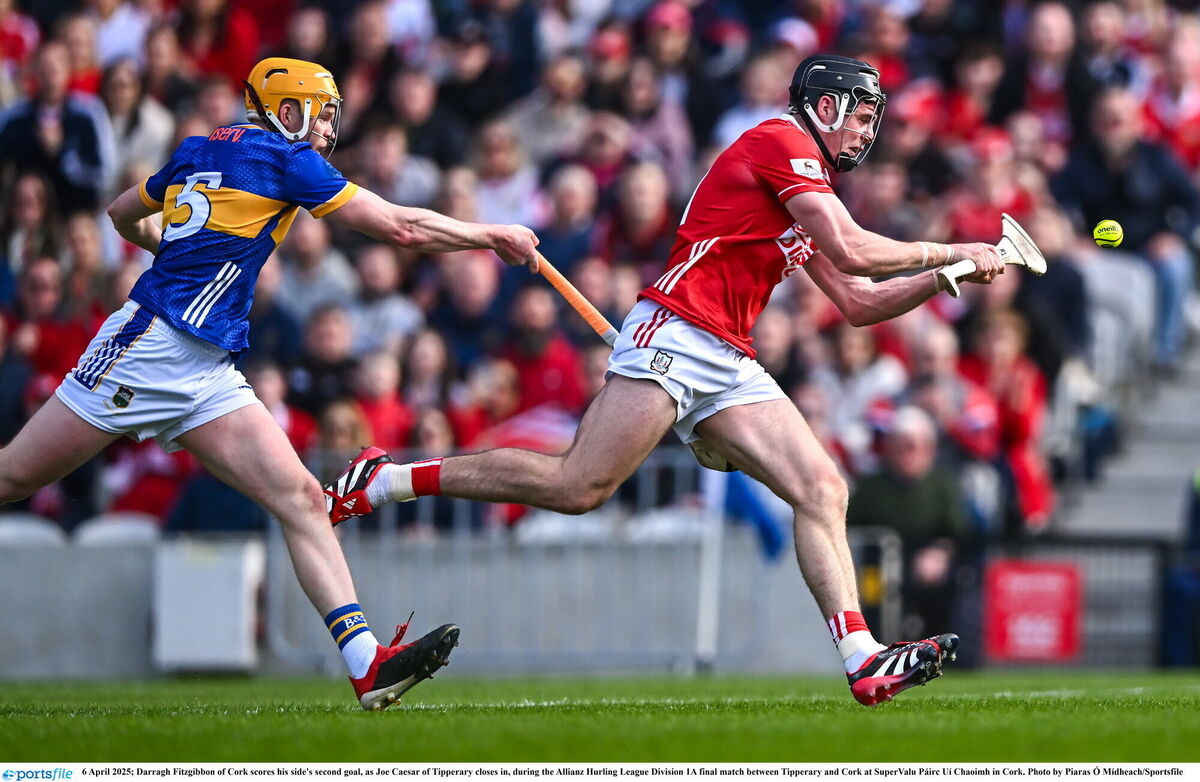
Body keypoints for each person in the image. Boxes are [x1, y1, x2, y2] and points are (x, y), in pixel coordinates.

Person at [327, 54, 1004, 707]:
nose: (867, 131)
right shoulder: (780, 140)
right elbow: (855, 248)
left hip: (729, 356)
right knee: (578, 487)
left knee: (823, 487)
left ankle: (862, 659)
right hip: (677, 331)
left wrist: (947, 277)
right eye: (860, 115)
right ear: (824, 107)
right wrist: (950, 247)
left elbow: (858, 301)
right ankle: (385, 479)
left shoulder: (812, 187)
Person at [0, 57, 539, 711]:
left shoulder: (202, 147)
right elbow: (401, 226)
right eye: (321, 111)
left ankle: (367, 664)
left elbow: (120, 213)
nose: (328, 126)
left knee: (304, 500)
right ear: (288, 110)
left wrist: (172, 250)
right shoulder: (286, 160)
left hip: (202, 369)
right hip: (144, 351)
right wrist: (490, 235)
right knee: (13, 478)